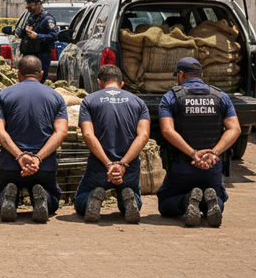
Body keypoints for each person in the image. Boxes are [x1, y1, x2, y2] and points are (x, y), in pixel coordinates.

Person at [157, 57, 241, 228]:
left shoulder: (171, 97)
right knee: (219, 201)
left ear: (181, 74)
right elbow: (235, 129)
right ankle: (210, 199)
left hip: (182, 169)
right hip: (212, 168)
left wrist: (193, 153)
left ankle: (188, 199)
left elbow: (167, 130)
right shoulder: (220, 96)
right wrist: (213, 153)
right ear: (201, 75)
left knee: (165, 205)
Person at [0, 55, 68, 223]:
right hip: (44, 167)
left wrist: (19, 156)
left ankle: (7, 196)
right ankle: (43, 196)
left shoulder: (4, 95)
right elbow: (61, 132)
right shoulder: (56, 97)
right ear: (41, 74)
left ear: (18, 74)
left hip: (12, 165)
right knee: (53, 200)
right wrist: (37, 158)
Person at [74, 65, 151, 224]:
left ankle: (92, 197)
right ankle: (129, 199)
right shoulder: (138, 102)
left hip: (99, 167)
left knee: (81, 202)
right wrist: (123, 164)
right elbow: (143, 135)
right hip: (128, 169)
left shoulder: (89, 100)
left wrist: (109, 164)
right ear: (121, 84)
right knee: (135, 199)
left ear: (99, 83)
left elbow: (88, 134)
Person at [14, 0, 59, 83]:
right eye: (28, 5)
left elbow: (54, 36)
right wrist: (23, 32)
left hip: (41, 56)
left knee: (38, 81)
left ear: (39, 4)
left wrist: (37, 36)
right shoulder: (31, 17)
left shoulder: (47, 19)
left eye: (32, 5)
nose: (29, 8)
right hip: (28, 55)